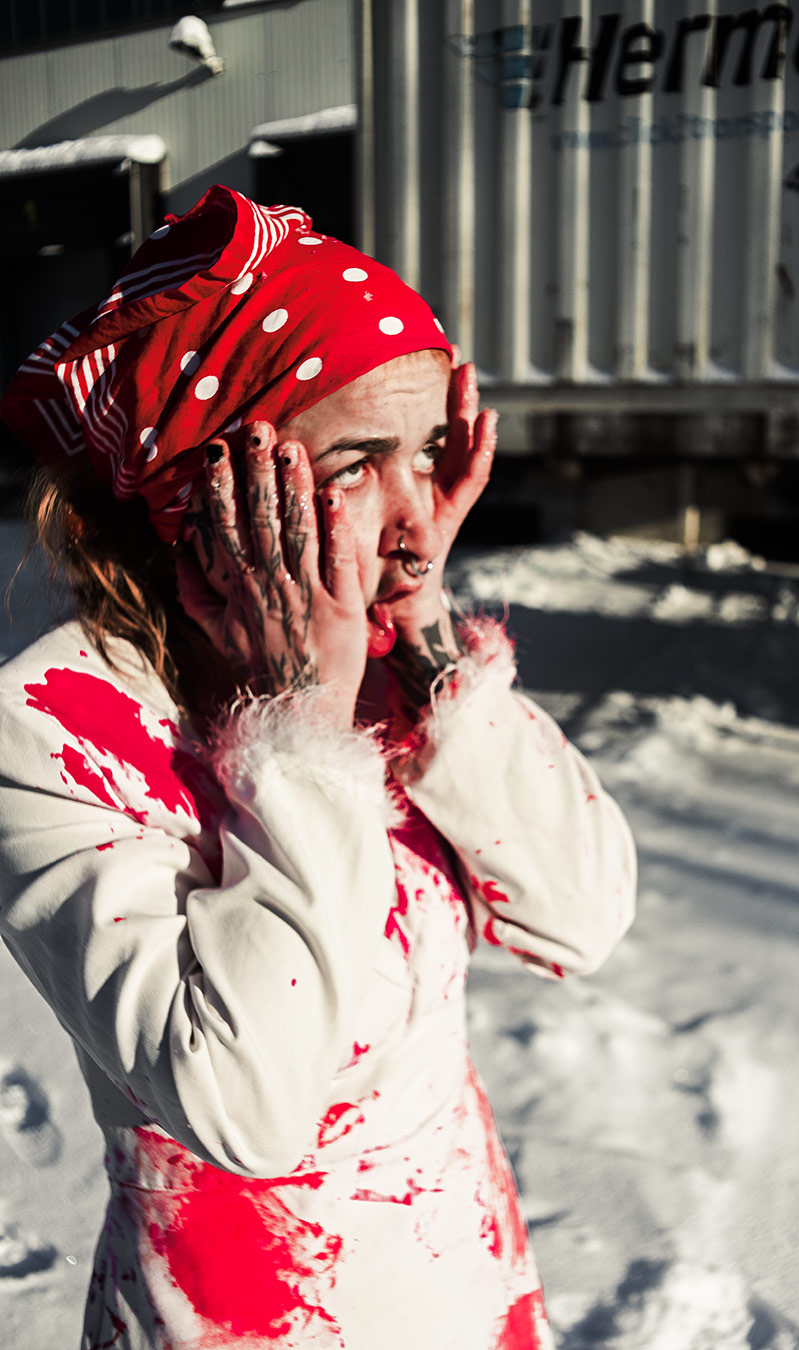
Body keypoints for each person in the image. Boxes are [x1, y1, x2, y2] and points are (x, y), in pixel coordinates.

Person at [0, 185, 636, 1350]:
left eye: (432, 452)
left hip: (468, 1292)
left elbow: (579, 917)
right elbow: (247, 1103)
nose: (417, 517)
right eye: (359, 460)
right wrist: (297, 728)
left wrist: (430, 634)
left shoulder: (392, 655)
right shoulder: (57, 723)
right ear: (207, 485)